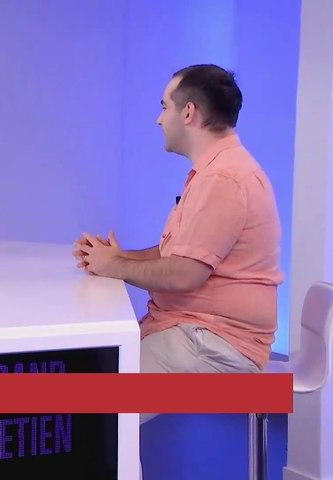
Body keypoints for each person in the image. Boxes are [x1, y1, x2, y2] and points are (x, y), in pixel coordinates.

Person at [73, 65, 283, 405]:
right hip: (197, 331)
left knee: (92, 407)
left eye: (164, 106)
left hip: (215, 344)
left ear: (188, 113)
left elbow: (185, 273)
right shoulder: (218, 170)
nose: (159, 120)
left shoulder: (224, 179)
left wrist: (114, 267)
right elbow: (180, 252)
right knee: (89, 379)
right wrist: (117, 257)